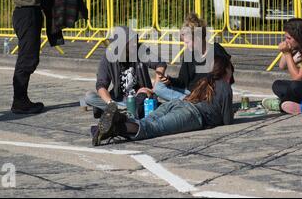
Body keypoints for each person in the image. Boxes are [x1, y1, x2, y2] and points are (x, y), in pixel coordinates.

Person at [92, 55, 235, 146]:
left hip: (178, 104)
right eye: (230, 68)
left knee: (147, 122)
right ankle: (115, 128)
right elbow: (227, 120)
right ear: (224, 70)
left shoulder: (205, 81)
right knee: (153, 128)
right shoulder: (225, 87)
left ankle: (110, 125)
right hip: (192, 114)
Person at [5, 0, 71, 114]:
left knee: (31, 57)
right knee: (27, 58)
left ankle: (22, 99)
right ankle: (19, 101)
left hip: (32, 12)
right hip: (24, 13)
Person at [84, 26, 167, 120]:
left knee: (143, 102)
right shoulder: (109, 56)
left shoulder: (140, 49)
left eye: (136, 40)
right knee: (89, 97)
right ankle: (119, 111)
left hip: (141, 98)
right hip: (118, 101)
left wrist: (153, 89)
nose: (135, 44)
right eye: (132, 42)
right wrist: (110, 103)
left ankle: (116, 112)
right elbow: (101, 85)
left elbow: (160, 64)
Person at [154, 12, 233, 101]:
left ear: (197, 38)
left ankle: (190, 102)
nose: (185, 45)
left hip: (210, 94)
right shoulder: (188, 53)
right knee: (159, 87)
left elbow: (229, 76)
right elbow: (183, 82)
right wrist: (169, 80)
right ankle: (190, 101)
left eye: (187, 42)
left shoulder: (216, 50)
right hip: (191, 93)